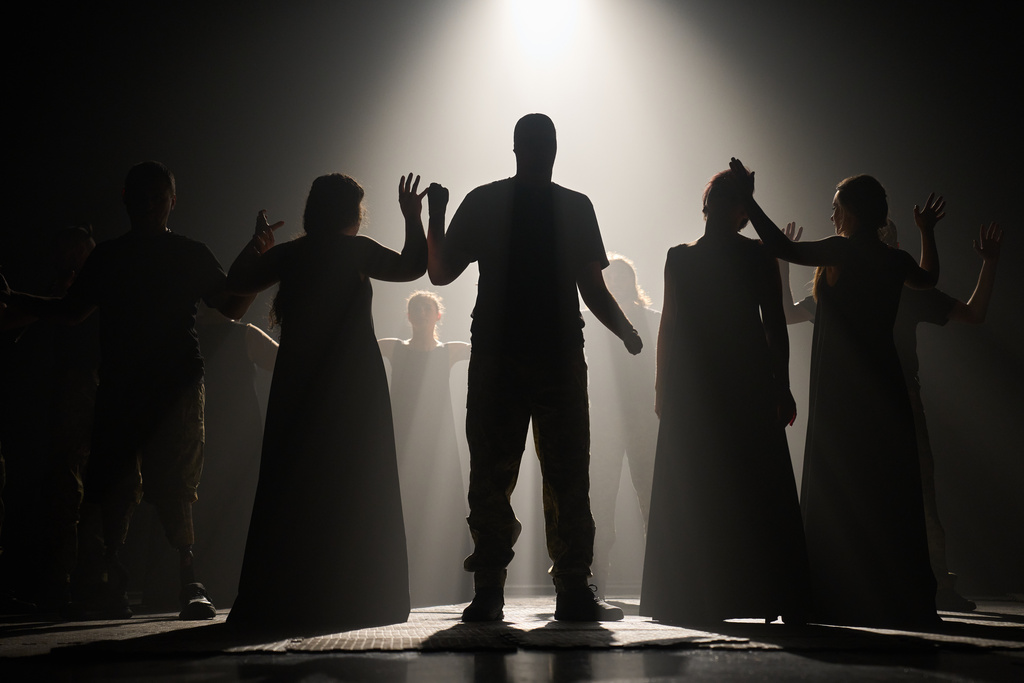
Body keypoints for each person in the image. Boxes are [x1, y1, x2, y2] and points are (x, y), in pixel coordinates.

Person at [0, 161, 255, 620]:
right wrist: (15, 299)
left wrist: (255, 262)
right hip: (121, 384)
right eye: (144, 196)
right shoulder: (109, 257)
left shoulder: (189, 252)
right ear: (127, 199)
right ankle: (114, 579)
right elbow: (72, 311)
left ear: (173, 200)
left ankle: (187, 580)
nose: (152, 205)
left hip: (175, 381)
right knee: (114, 484)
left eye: (160, 196)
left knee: (176, 484)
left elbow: (229, 306)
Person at [427, 113, 642, 622]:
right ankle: (570, 587)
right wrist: (626, 331)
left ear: (516, 148)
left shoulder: (484, 200)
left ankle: (489, 591)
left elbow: (439, 273)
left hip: (499, 354)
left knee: (492, 471)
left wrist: (435, 215)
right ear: (551, 149)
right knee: (567, 472)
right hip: (557, 353)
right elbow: (591, 288)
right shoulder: (574, 206)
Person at [728, 157, 941, 627]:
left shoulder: (843, 252)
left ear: (853, 212)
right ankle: (892, 592)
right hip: (882, 382)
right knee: (885, 482)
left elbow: (781, 245)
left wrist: (747, 200)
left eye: (835, 207)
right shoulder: (893, 259)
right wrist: (925, 231)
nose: (831, 216)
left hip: (844, 385)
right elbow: (930, 279)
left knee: (841, 478)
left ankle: (835, 589)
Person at [225, 172, 427, 634]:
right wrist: (414, 217)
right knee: (357, 476)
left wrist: (258, 243)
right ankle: (362, 593)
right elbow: (412, 266)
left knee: (295, 479)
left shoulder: (291, 254)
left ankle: (287, 593)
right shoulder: (354, 250)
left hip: (301, 381)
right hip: (353, 381)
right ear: (352, 214)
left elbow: (236, 283)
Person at [779, 220, 1003, 612]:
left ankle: (911, 584)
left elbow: (972, 313)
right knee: (907, 492)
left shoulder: (859, 287)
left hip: (873, 400)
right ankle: (908, 585)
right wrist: (989, 263)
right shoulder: (862, 287)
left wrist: (781, 261)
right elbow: (974, 314)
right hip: (879, 399)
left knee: (897, 492)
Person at [639, 169, 809, 625]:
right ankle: (764, 593)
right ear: (741, 211)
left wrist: (661, 387)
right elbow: (773, 325)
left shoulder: (683, 257)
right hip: (741, 381)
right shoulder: (754, 255)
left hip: (700, 385)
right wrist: (783, 385)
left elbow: (670, 326)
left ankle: (695, 593)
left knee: (701, 484)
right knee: (750, 482)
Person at [379, 291, 473, 608]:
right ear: (408, 316)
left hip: (439, 444)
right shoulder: (392, 347)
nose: (420, 312)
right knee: (404, 504)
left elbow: (488, 350)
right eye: (414, 308)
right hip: (402, 439)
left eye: (427, 307)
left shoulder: (449, 351)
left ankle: (449, 584)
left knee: (443, 508)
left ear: (438, 315)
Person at [192, 304, 278, 607]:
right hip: (236, 435)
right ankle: (233, 581)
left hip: (200, 430)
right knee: (239, 506)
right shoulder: (242, 334)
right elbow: (283, 361)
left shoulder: (188, 334)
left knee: (200, 506)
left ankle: (193, 581)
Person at [584, 255, 659, 596]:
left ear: (633, 282)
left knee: (651, 498)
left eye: (622, 278)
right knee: (599, 502)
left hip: (645, 414)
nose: (615, 284)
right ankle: (595, 583)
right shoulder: (587, 319)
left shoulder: (652, 319)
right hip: (602, 417)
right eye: (609, 279)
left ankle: (661, 583)